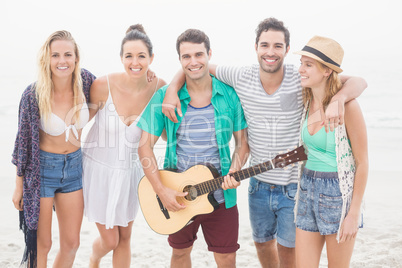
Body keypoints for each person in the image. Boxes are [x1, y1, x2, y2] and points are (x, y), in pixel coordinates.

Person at [161, 18, 367, 268]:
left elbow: (358, 81)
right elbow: (195, 66)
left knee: (289, 252)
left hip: (294, 186)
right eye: (265, 45)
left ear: (286, 50)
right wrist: (172, 88)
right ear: (256, 47)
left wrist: (340, 98)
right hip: (257, 185)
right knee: (262, 245)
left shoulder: (300, 77)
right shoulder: (241, 75)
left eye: (278, 46)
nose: (271, 52)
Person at [137, 29, 249, 267]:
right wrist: (161, 190)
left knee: (227, 257)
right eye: (186, 56)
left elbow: (242, 143)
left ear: (209, 54)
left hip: (221, 195)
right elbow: (144, 147)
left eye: (199, 54)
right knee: (179, 253)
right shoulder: (163, 98)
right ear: (180, 60)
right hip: (178, 194)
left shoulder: (229, 95)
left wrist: (235, 170)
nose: (193, 61)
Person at [82, 24, 165, 268]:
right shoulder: (101, 85)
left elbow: (182, 86)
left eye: (141, 56)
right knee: (110, 240)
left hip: (131, 174)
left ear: (151, 58)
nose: (135, 62)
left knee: (125, 239)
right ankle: (94, 258)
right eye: (129, 56)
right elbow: (76, 124)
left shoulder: (159, 87)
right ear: (121, 58)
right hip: (98, 171)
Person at [11, 30, 96, 267]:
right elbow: (22, 143)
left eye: (68, 54)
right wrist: (19, 186)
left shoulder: (87, 82)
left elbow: (118, 91)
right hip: (42, 173)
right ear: (47, 59)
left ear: (76, 58)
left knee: (72, 243)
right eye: (55, 55)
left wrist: (149, 79)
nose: (62, 61)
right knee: (41, 245)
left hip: (74, 170)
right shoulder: (33, 94)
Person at [294, 36, 368, 267]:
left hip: (337, 194)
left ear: (327, 71)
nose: (301, 70)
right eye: (301, 63)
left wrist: (353, 213)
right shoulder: (306, 102)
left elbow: (362, 162)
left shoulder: (348, 107)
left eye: (308, 65)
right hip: (306, 189)